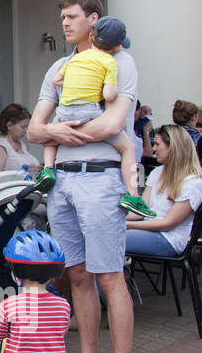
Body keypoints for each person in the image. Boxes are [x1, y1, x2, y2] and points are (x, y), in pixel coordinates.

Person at [28, 0, 137, 353]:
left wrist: (62, 131)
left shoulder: (120, 62)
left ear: (94, 19)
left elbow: (115, 121)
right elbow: (34, 132)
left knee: (109, 276)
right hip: (62, 184)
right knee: (76, 274)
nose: (65, 24)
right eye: (63, 18)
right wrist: (58, 133)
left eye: (73, 17)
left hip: (101, 180)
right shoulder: (58, 66)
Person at [39, 17, 150, 217]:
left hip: (65, 113)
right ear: (117, 47)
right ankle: (132, 194)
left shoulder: (75, 60)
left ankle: (47, 169)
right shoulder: (110, 62)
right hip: (89, 113)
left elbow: (57, 80)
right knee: (129, 148)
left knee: (50, 137)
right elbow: (109, 96)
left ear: (92, 36)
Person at [123, 124, 202, 258]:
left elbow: (168, 224)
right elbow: (142, 210)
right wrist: (114, 216)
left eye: (157, 144)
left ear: (173, 147)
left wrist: (127, 224)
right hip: (149, 230)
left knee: (107, 240)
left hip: (170, 239)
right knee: (100, 234)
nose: (154, 149)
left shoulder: (192, 182)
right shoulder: (157, 172)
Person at [0, 103, 45, 177]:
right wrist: (24, 172)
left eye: (27, 127)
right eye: (23, 127)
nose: (25, 130)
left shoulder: (21, 144)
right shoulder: (0, 148)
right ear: (9, 125)